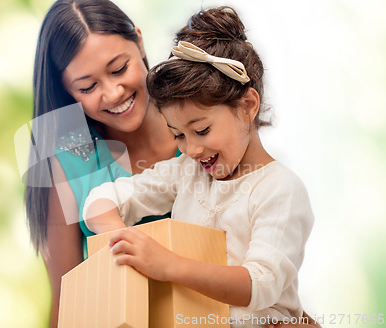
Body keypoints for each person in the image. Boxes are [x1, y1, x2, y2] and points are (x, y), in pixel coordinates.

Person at [27, 0, 320, 327]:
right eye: (88, 86)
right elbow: (66, 301)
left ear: (138, 41)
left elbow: (263, 284)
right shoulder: (68, 159)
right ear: (67, 90)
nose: (112, 93)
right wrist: (125, 242)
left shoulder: (206, 142)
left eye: (119, 69)